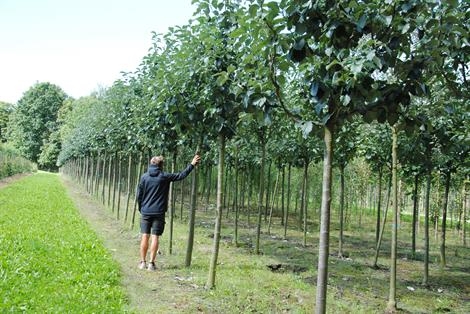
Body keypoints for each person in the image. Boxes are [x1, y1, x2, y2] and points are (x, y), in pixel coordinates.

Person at [137, 153, 201, 271]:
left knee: (144, 236)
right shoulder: (164, 176)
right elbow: (181, 175)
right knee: (155, 237)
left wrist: (141, 208)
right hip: (159, 212)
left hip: (146, 211)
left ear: (151, 164)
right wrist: (192, 165)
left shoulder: (144, 177)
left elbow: (139, 195)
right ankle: (151, 264)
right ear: (161, 166)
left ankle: (142, 263)